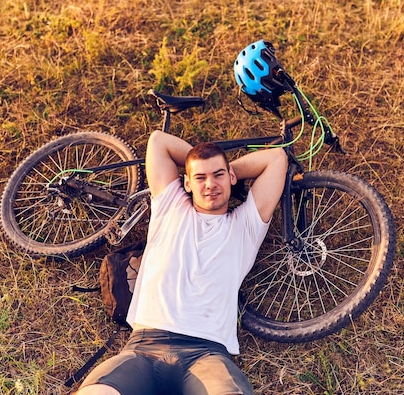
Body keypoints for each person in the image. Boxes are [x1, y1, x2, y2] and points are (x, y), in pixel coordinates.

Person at [74, 129, 288, 395]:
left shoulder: (245, 225)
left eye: (218, 176)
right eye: (200, 178)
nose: (210, 184)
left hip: (207, 354)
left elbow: (277, 158)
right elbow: (157, 141)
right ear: (187, 183)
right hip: (143, 348)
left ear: (231, 178)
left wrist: (225, 170)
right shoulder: (170, 206)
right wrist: (208, 168)